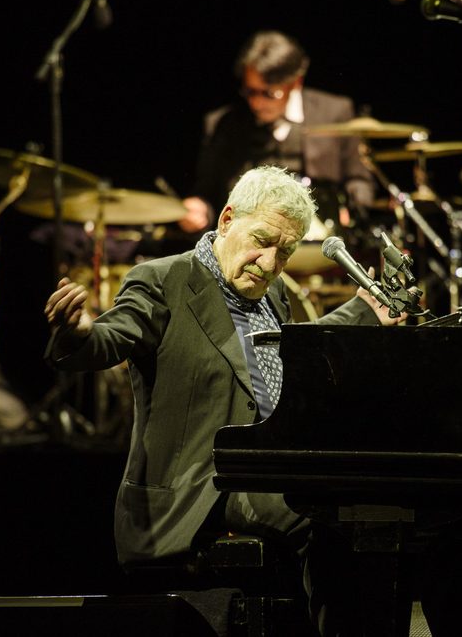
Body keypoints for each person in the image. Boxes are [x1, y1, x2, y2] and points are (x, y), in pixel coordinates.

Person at [44, 165, 400, 635]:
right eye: (262, 241)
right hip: (201, 488)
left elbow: (292, 354)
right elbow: (111, 337)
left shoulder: (272, 293)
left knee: (379, 510)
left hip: (266, 473)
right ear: (228, 219)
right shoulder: (164, 280)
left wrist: (361, 312)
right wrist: (79, 333)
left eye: (285, 251)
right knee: (326, 513)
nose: (269, 263)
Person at [179, 30, 376, 241]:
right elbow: (206, 194)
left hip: (321, 243)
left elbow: (360, 180)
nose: (257, 103)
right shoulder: (224, 125)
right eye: (250, 91)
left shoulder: (334, 112)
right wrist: (198, 210)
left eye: (269, 93)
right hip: (248, 242)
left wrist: (351, 211)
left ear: (296, 82)